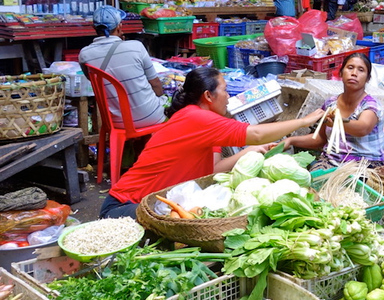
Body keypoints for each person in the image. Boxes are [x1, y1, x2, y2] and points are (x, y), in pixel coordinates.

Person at [100, 67, 325, 218]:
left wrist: (250, 151)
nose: (228, 96)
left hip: (152, 205)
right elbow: (255, 133)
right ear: (208, 96)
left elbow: (214, 169)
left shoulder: (205, 123)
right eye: (225, 90)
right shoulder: (197, 118)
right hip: (124, 207)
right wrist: (303, 121)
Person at [282, 53, 384, 169]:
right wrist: (290, 140)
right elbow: (321, 139)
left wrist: (337, 121)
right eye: (350, 68)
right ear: (341, 73)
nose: (354, 73)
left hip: (364, 164)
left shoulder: (370, 105)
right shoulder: (330, 104)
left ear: (367, 78)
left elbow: (363, 128)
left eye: (361, 70)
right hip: (330, 162)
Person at [79, 5, 166, 129]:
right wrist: (160, 97)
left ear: (94, 28)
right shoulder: (136, 46)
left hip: (115, 122)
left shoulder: (85, 54)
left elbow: (96, 81)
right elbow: (156, 84)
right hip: (150, 116)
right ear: (120, 26)